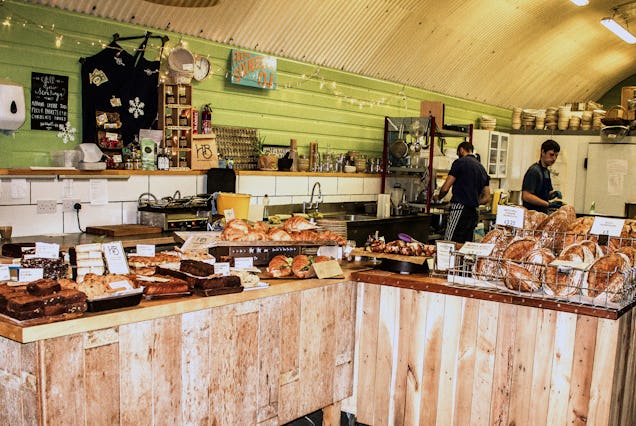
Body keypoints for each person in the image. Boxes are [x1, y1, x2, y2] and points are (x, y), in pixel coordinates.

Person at [433, 141, 491, 243]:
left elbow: (446, 188)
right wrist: (473, 201)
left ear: (461, 150)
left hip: (459, 208)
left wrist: (438, 197)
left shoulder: (459, 163)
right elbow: (486, 197)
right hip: (474, 212)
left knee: (449, 242)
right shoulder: (482, 168)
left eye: (458, 153)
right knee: (466, 245)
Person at [522, 139, 562, 213]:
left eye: (556, 155)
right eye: (551, 154)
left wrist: (554, 194)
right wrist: (548, 204)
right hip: (532, 214)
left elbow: (547, 192)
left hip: (542, 213)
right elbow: (526, 196)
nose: (554, 158)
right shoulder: (534, 171)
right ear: (543, 152)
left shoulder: (546, 171)